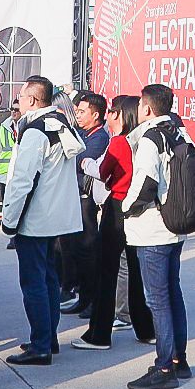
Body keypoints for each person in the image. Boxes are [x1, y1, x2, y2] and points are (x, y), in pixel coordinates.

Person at [0, 75, 86, 364]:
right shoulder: (60, 124)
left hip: (35, 219)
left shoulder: (35, 131)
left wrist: (10, 220)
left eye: (21, 98)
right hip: (54, 218)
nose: (18, 102)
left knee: (34, 282)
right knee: (48, 279)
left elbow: (22, 181)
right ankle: (48, 338)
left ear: (33, 100)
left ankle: (41, 345)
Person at [122, 82, 195, 389]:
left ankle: (164, 368)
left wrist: (125, 207)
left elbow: (146, 183)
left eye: (140, 105)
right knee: (172, 294)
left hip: (153, 228)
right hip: (176, 224)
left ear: (148, 108)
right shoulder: (180, 132)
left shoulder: (151, 139)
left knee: (158, 299)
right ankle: (179, 360)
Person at [71, 91, 151, 348]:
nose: (109, 116)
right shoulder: (142, 140)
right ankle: (146, 328)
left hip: (116, 206)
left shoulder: (119, 142)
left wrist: (86, 164)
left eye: (112, 112)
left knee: (106, 272)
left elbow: (104, 172)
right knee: (135, 272)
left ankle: (99, 334)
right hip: (136, 209)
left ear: (121, 115)